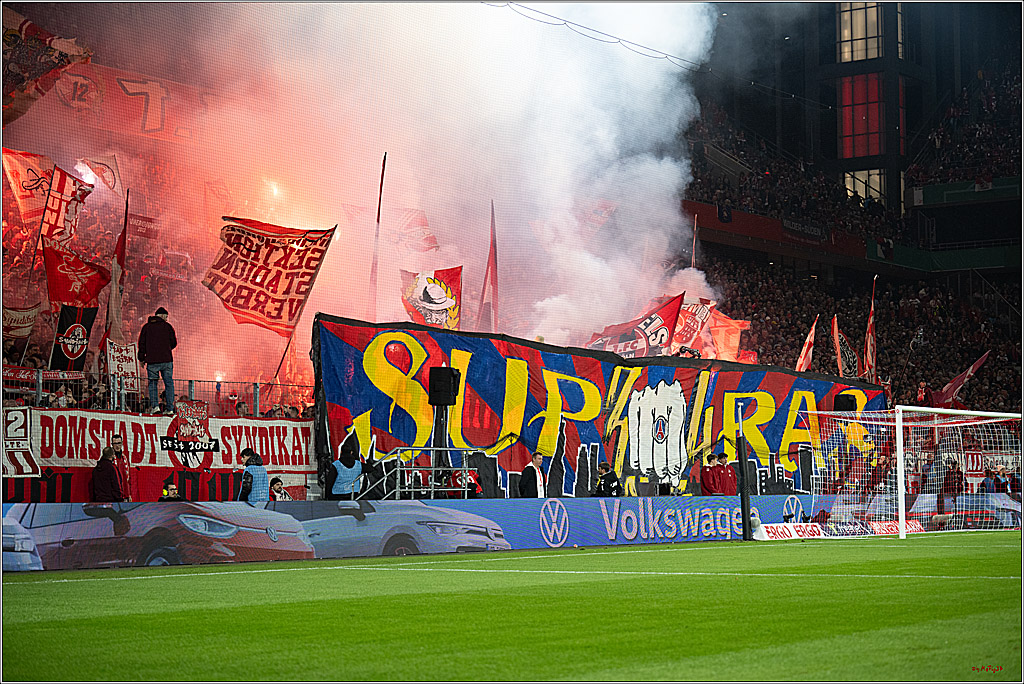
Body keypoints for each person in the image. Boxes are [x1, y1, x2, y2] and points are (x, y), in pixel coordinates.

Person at [138, 306, 177, 415]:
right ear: (163, 316)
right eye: (166, 317)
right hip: (166, 360)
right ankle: (170, 408)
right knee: (169, 383)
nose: (167, 319)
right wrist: (166, 349)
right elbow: (174, 343)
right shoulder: (168, 327)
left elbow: (141, 344)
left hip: (152, 361)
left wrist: (141, 358)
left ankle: (155, 407)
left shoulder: (146, 327)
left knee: (153, 383)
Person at [109, 433, 131, 502]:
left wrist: (129, 494)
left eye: (119, 443)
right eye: (115, 443)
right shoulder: (109, 459)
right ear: (112, 445)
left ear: (122, 444)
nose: (117, 446)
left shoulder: (124, 458)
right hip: (114, 495)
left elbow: (127, 478)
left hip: (125, 495)